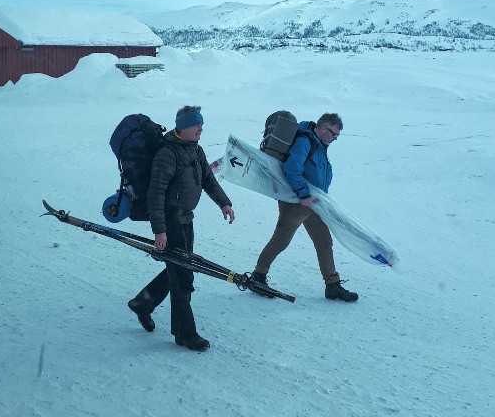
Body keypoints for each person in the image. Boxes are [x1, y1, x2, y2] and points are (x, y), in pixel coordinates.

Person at [128, 106, 235, 351]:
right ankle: (185, 333)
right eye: (196, 124)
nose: (201, 129)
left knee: (178, 270)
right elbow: (156, 194)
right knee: (183, 278)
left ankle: (143, 303)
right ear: (182, 127)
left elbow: (208, 179)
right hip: (171, 222)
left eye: (201, 124)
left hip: (186, 219)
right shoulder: (167, 154)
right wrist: (160, 230)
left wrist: (224, 203)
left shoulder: (195, 150)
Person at [251, 113, 358, 302]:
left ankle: (332, 285)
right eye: (334, 134)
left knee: (324, 241)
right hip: (297, 202)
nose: (335, 139)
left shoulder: (320, 145)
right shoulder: (305, 141)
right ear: (323, 128)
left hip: (313, 202)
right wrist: (303, 195)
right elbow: (292, 168)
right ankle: (258, 276)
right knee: (281, 240)